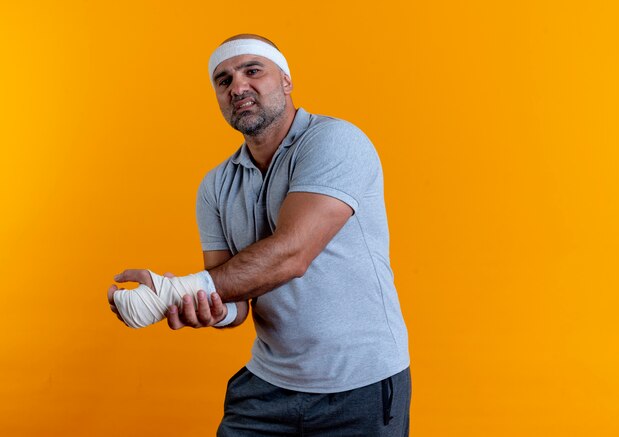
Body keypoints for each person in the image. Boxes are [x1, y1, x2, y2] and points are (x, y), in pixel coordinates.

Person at [108, 34, 411, 436]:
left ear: (286, 81)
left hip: (359, 386)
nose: (237, 86)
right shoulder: (215, 186)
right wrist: (209, 307)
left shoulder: (336, 142)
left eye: (253, 71)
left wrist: (174, 292)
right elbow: (233, 299)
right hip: (267, 386)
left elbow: (292, 254)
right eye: (224, 80)